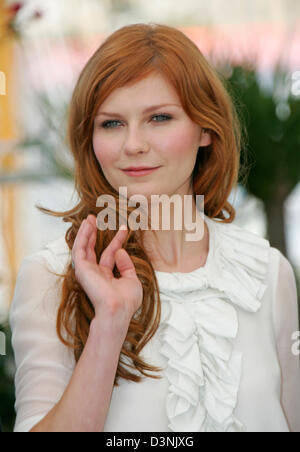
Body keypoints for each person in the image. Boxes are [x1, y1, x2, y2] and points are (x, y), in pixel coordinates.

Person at [9, 23, 300, 433]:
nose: (133, 144)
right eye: (111, 123)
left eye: (159, 118)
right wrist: (108, 324)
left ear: (205, 130)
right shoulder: (53, 275)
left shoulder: (268, 274)